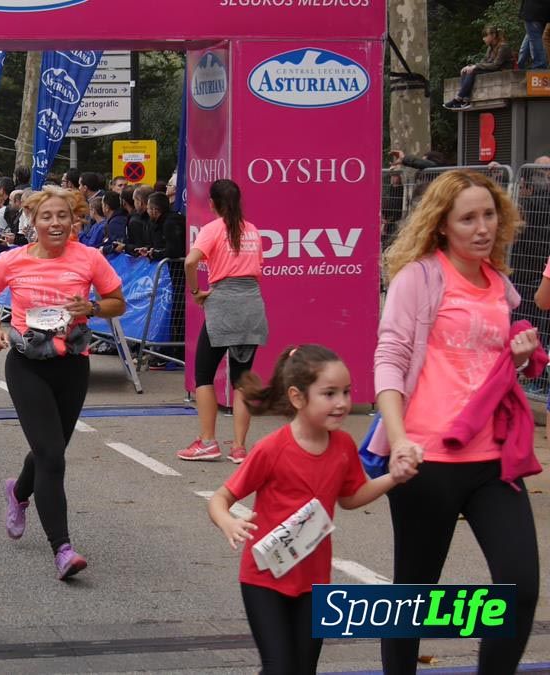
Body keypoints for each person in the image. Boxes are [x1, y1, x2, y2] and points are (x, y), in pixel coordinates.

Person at [372, 170, 541, 674]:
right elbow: (390, 359)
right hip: (426, 458)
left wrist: (519, 357)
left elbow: (486, 368)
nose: (482, 227)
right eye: (468, 218)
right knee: (412, 597)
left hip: (494, 459)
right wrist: (399, 440)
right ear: (442, 224)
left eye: (489, 215)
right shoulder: (419, 278)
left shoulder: (500, 284)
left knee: (520, 587)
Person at [207, 345, 411, 675]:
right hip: (264, 577)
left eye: (346, 392)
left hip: (314, 582)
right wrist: (228, 522)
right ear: (297, 397)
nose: (342, 402)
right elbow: (220, 499)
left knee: (303, 669)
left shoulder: (343, 446)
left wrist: (393, 477)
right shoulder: (272, 449)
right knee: (279, 667)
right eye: (329, 394)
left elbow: (351, 497)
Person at [0, 185, 127, 580]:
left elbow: (118, 301)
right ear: (33, 221)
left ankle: (18, 492)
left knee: (51, 450)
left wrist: (92, 306)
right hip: (27, 364)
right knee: (52, 456)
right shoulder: (13, 260)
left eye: (63, 216)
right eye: (47, 216)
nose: (55, 223)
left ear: (74, 220)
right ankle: (62, 548)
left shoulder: (89, 258)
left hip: (72, 363)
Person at [178, 180, 267, 464]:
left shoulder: (212, 229)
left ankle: (207, 441)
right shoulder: (252, 230)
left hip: (223, 304)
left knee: (204, 374)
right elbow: (258, 268)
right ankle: (239, 447)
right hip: (252, 305)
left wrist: (196, 291)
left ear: (212, 204)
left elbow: (190, 261)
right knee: (242, 379)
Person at [445, 26, 515, 110]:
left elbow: (496, 65)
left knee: (473, 71)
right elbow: (484, 61)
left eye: (485, 36)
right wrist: (470, 66)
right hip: (494, 70)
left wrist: (476, 67)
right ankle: (464, 101)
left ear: (493, 36)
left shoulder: (503, 47)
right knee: (467, 70)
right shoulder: (490, 48)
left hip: (502, 71)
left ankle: (459, 99)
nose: (483, 39)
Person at [518, 0, 550, 70]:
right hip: (542, 12)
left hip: (533, 12)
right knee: (532, 37)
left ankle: (539, 66)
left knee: (534, 38)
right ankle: (521, 64)